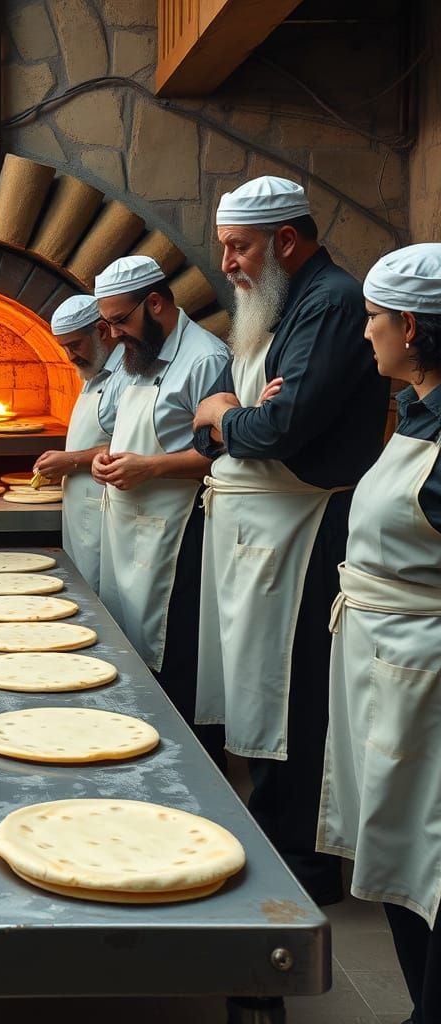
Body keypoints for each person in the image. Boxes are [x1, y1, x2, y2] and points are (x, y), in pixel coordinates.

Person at [192, 175, 389, 905]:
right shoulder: (278, 302)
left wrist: (225, 415)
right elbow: (238, 424)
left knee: (291, 697)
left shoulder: (332, 303)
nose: (229, 264)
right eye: (223, 248)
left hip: (305, 535)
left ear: (284, 241)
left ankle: (306, 869)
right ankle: (275, 836)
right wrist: (228, 416)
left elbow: (278, 428)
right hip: (265, 537)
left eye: (238, 248)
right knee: (260, 691)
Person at [317, 244, 441, 1024]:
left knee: (426, 853)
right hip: (383, 658)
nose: (364, 335)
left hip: (422, 673)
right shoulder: (420, 410)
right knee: (393, 846)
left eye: (371, 320)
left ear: (409, 327)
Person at [90, 256, 228, 766]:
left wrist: (149, 468)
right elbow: (124, 430)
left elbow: (222, 455)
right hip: (129, 529)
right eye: (107, 325)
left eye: (121, 321)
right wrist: (109, 458)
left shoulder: (205, 360)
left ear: (155, 303)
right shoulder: (139, 355)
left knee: (178, 662)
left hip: (179, 533)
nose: (115, 334)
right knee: (128, 653)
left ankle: (188, 770)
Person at [33, 294, 120, 594]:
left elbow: (130, 445)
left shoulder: (124, 375)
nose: (70, 356)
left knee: (97, 593)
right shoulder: (93, 370)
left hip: (103, 510)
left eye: (75, 345)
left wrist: (69, 461)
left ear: (101, 331)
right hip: (80, 509)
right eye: (63, 347)